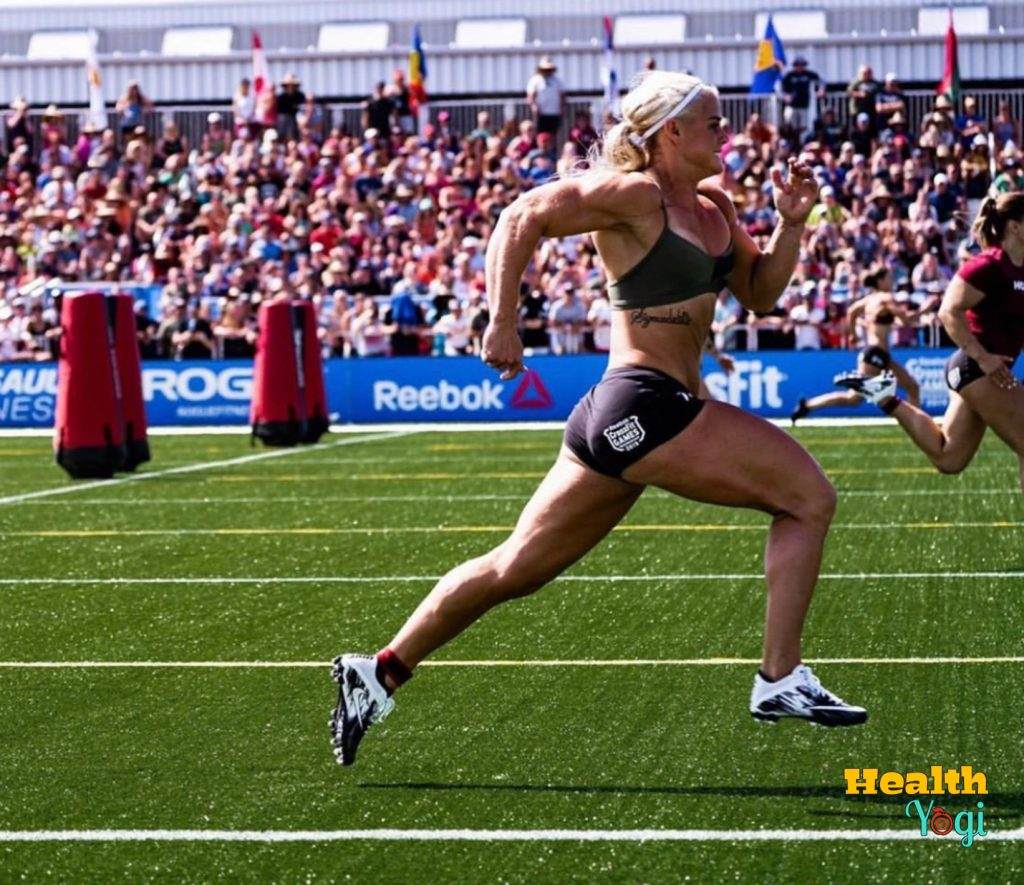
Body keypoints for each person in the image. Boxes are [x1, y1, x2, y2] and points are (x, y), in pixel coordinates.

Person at [329, 70, 867, 768]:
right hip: (643, 402)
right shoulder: (636, 196)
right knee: (807, 495)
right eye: (712, 123)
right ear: (671, 132)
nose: (725, 134)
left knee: (513, 568)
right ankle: (780, 678)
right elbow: (521, 216)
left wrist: (793, 224)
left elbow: (761, 294)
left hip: (634, 417)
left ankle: (378, 671)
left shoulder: (716, 206)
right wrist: (501, 320)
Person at [838, 193, 1024, 491]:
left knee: (948, 458)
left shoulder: (1018, 267)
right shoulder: (989, 265)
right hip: (976, 368)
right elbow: (948, 311)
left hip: (981, 371)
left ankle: (887, 397)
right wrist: (983, 357)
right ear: (1015, 227)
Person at [791, 267, 920, 422]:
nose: (892, 281)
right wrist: (927, 309)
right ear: (880, 281)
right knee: (908, 389)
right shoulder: (885, 298)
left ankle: (807, 406)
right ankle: (917, 423)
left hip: (879, 355)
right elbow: (906, 320)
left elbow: (852, 311)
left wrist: (853, 335)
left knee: (910, 388)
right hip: (875, 355)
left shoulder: (870, 299)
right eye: (889, 278)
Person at [779, 56, 823, 145]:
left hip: (804, 106)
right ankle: (790, 142)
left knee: (803, 127)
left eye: (802, 65)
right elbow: (779, 87)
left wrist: (821, 90)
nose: (800, 67)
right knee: (789, 124)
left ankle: (801, 143)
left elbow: (821, 81)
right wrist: (785, 96)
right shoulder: (789, 75)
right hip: (792, 106)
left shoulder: (808, 74)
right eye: (797, 65)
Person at [526, 57, 566, 137]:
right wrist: (534, 106)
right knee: (541, 135)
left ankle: (551, 149)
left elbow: (562, 95)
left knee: (553, 135)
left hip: (554, 113)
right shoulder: (535, 80)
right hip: (541, 114)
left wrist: (562, 108)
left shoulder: (557, 81)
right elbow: (530, 96)